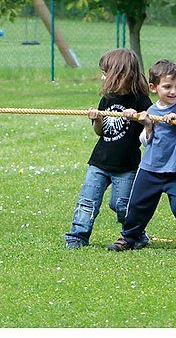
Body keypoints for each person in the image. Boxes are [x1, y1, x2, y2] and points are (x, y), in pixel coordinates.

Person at [107, 59, 176, 253]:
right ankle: (129, 237)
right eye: (167, 87)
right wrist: (148, 125)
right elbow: (145, 142)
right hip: (149, 169)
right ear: (154, 87)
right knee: (138, 207)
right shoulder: (152, 111)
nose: (173, 91)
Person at [64, 48, 152, 249]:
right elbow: (100, 132)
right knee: (87, 201)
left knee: (121, 205)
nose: (102, 76)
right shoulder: (107, 98)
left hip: (126, 165)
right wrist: (97, 119)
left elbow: (150, 131)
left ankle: (135, 235)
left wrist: (142, 118)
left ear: (121, 74)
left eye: (105, 72)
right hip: (99, 162)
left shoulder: (140, 100)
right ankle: (77, 236)